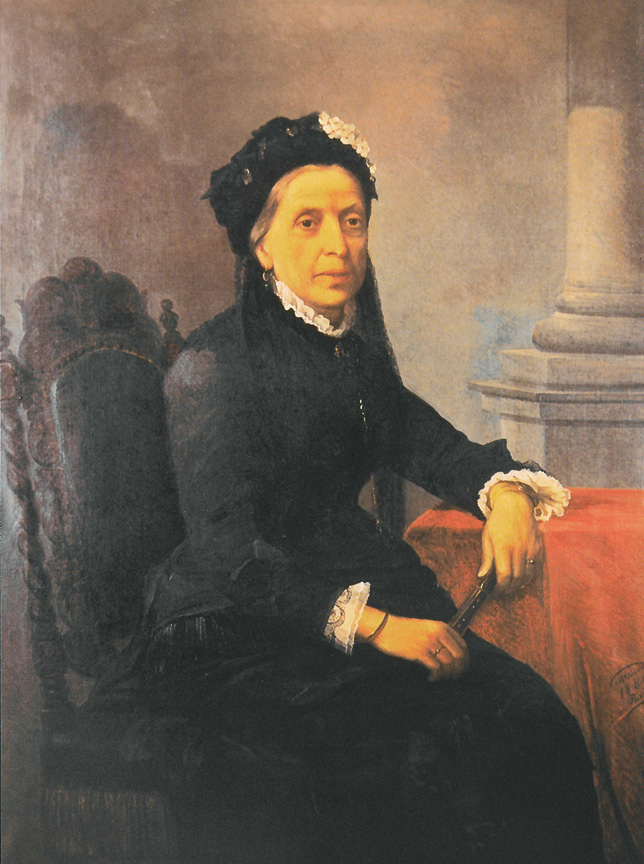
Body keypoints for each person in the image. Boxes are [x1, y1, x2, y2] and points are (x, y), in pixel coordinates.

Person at [137, 112, 605, 863]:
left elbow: (441, 450)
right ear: (261, 243)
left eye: (352, 221)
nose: (338, 244)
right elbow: (229, 556)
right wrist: (381, 628)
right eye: (310, 222)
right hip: (242, 634)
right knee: (396, 763)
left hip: (356, 602)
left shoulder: (350, 359)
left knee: (533, 721)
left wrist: (507, 495)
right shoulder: (212, 368)